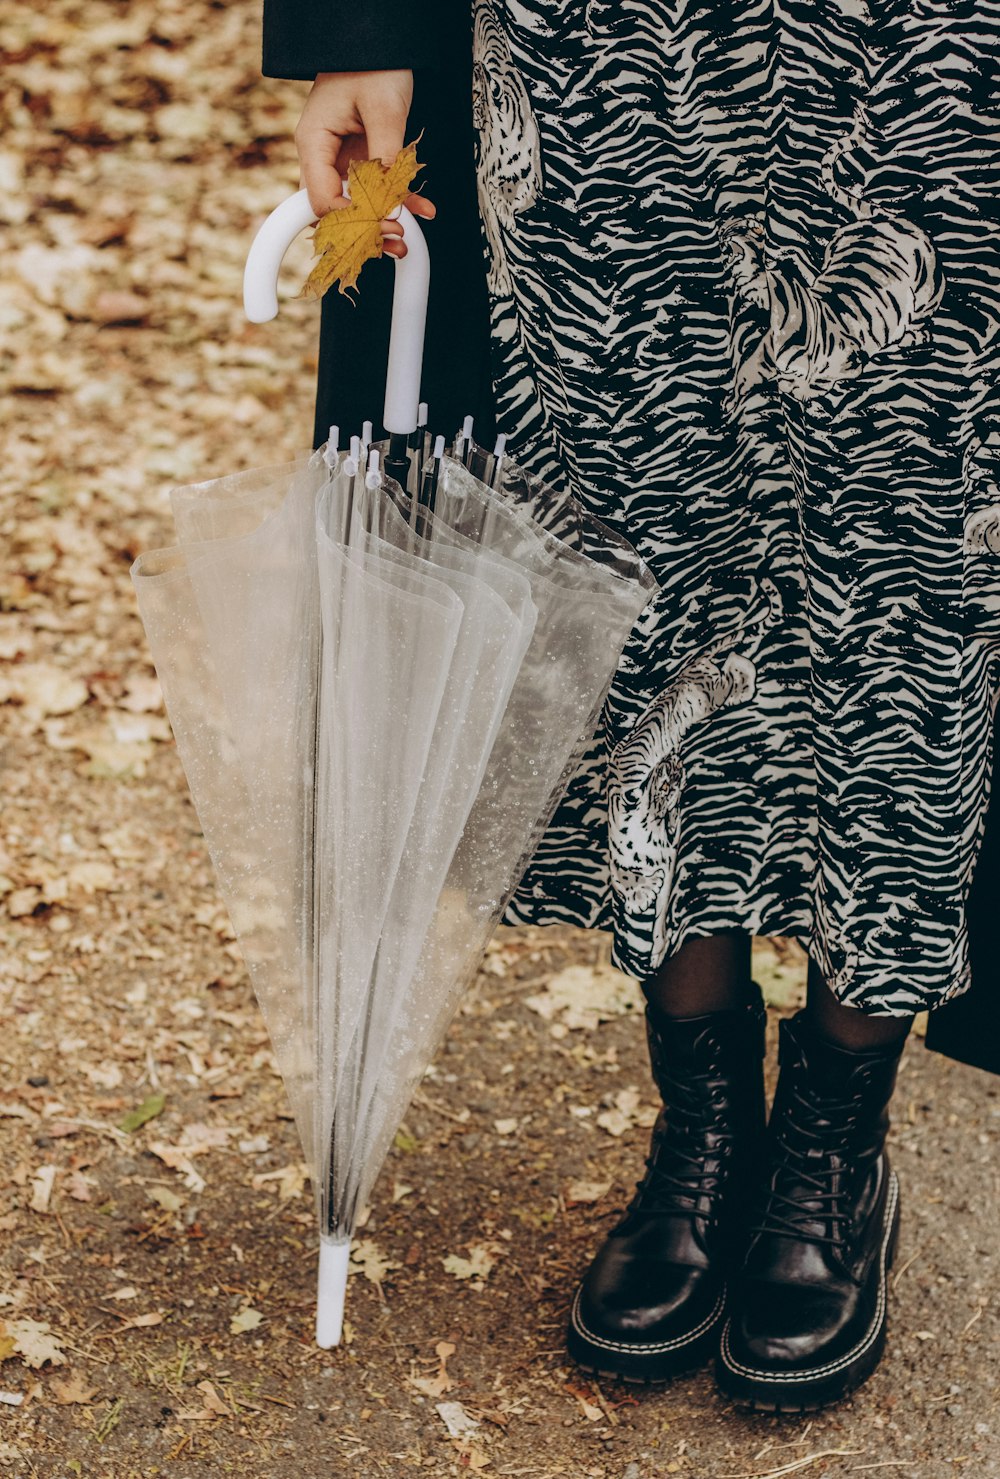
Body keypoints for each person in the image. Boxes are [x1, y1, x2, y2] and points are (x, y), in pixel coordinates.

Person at [261, 0, 1000, 1410]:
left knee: (905, 552)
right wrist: (360, 18)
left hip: (932, 48)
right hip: (600, 42)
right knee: (632, 535)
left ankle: (835, 1142)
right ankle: (705, 1124)